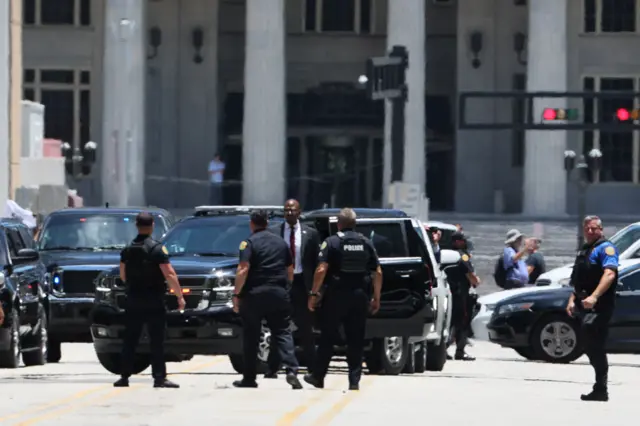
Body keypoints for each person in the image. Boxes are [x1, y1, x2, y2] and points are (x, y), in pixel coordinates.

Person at [304, 208, 382, 391]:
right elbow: (377, 272)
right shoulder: (366, 243)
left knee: (327, 338)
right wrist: (376, 298)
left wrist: (314, 294)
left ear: (338, 224)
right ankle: (354, 381)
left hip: (336, 296)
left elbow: (321, 269)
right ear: (354, 224)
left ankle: (318, 376)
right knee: (356, 340)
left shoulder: (332, 242)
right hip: (359, 297)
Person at [232, 210, 302, 389]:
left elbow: (243, 269)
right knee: (283, 332)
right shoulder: (281, 243)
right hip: (278, 293)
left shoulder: (248, 243)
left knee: (251, 336)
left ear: (251, 224)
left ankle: (249, 378)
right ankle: (292, 370)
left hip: (254, 295)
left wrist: (236, 294)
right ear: (267, 223)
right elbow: (290, 269)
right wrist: (286, 287)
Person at [114, 212, 184, 388]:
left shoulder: (128, 250)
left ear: (136, 226)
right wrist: (179, 296)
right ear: (152, 225)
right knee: (157, 340)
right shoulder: (157, 249)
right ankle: (159, 378)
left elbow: (122, 275)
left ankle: (124, 377)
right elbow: (169, 274)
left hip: (133, 300)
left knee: (130, 340)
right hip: (154, 300)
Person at [266, 199, 320, 377]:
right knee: (278, 326)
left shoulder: (310, 234)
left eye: (293, 210)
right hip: (281, 284)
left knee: (306, 328)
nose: (289, 212)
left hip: (301, 283)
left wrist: (315, 290)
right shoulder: (274, 232)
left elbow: (315, 261)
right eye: (286, 210)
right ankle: (273, 367)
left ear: (299, 212)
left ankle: (312, 367)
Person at [566, 215, 618, 402]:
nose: (590, 231)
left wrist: (595, 296)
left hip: (600, 306)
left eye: (594, 228)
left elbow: (609, 274)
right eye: (587, 228)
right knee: (589, 344)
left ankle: (601, 388)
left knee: (594, 341)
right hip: (583, 305)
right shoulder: (585, 250)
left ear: (601, 229)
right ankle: (599, 387)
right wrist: (572, 299)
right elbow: (578, 281)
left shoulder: (607, 248)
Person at [447, 231, 480, 361]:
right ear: (458, 242)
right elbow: (469, 273)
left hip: (451, 294)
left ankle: (443, 349)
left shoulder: (450, 255)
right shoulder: (463, 256)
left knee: (450, 323)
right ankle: (460, 351)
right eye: (463, 240)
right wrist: (476, 281)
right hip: (462, 295)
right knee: (462, 323)